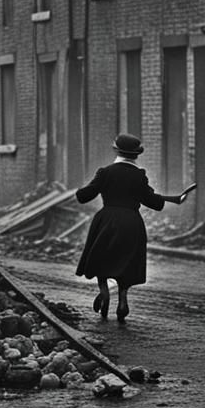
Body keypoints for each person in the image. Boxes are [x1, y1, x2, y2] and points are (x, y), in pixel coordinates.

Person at [75, 134, 189, 323]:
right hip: (131, 222)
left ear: (116, 150)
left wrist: (82, 190)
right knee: (126, 262)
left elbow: (84, 196)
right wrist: (171, 199)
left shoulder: (105, 172)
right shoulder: (139, 175)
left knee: (102, 258)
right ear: (136, 155)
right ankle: (123, 298)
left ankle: (103, 292)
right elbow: (153, 202)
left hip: (107, 220)